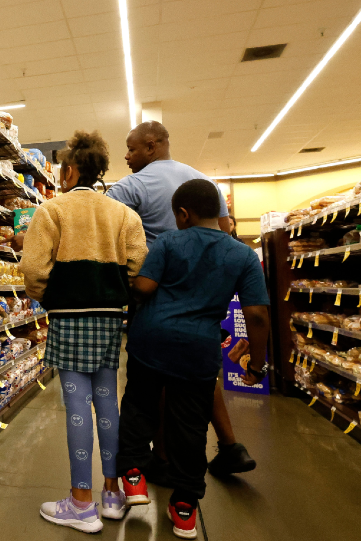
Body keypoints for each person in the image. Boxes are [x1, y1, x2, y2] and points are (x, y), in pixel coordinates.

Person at [118, 179, 270, 539]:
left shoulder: (170, 241)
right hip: (198, 351)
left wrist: (127, 280)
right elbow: (258, 315)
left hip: (151, 342)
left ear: (183, 214)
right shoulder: (243, 254)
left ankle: (135, 479)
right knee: (189, 426)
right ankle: (184, 508)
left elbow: (144, 288)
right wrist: (256, 364)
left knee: (140, 407)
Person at [107, 121, 256, 479]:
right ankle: (230, 445)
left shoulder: (133, 184)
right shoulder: (201, 182)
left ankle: (161, 457)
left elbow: (101, 221)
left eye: (131, 148)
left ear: (153, 145)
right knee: (199, 375)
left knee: (156, 374)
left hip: (155, 288)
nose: (126, 156)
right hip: (205, 294)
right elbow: (225, 232)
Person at [20, 130, 147, 533]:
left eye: (61, 170)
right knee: (107, 401)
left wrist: (50, 300)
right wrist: (117, 296)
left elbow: (34, 271)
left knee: (77, 406)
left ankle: (80, 503)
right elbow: (138, 265)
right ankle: (111, 493)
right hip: (109, 319)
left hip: (69, 318)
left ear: (72, 169)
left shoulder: (52, 211)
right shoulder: (125, 214)